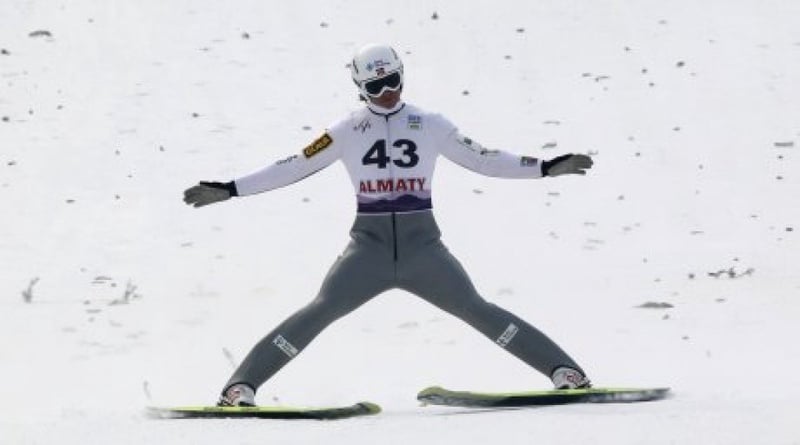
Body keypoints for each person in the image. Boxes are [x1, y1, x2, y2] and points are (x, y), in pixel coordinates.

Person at [184, 44, 594, 407]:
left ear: (403, 75)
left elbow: (484, 158)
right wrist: (231, 189)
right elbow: (292, 165)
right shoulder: (344, 131)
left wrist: (543, 168)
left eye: (393, 81)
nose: (387, 93)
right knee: (320, 310)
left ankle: (566, 373)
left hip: (423, 250)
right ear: (360, 89)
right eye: (375, 88)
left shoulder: (431, 124)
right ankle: (239, 388)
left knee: (475, 308)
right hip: (369, 251)